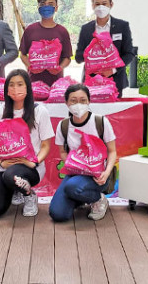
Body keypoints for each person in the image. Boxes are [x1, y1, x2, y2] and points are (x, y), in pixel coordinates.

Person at [0, 70, 54, 218]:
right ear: (7, 90)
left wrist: (33, 162)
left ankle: (29, 195)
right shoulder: (0, 112)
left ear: (28, 88)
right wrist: (1, 163)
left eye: (20, 84)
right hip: (5, 168)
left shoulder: (40, 111)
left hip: (30, 167)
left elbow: (46, 146)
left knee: (12, 175)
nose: (16, 89)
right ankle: (15, 189)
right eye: (12, 85)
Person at [49, 84, 117, 222]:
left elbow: (112, 151)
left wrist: (107, 172)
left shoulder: (100, 122)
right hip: (76, 173)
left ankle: (99, 199)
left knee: (72, 187)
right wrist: (72, 163)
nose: (78, 104)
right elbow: (62, 151)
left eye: (82, 100)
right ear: (66, 103)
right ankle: (80, 197)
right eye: (73, 100)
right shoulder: (64, 125)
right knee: (57, 214)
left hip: (98, 175)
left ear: (89, 101)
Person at [75, 0, 135, 96]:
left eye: (104, 4)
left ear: (111, 5)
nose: (100, 7)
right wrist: (90, 51)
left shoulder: (122, 26)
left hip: (115, 80)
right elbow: (78, 57)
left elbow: (129, 54)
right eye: (97, 4)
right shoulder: (86, 29)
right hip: (91, 82)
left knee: (114, 112)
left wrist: (113, 70)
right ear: (92, 6)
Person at [19, 0, 73, 86]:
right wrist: (30, 66)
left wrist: (59, 68)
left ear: (56, 8)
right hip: (33, 83)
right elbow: (23, 54)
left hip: (56, 83)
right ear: (38, 7)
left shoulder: (62, 31)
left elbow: (67, 58)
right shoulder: (30, 30)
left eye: (50, 4)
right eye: (43, 4)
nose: (46, 7)